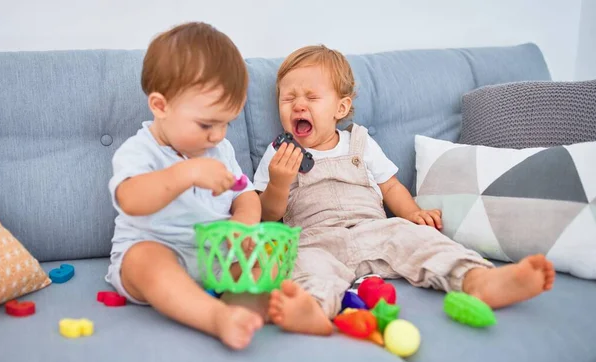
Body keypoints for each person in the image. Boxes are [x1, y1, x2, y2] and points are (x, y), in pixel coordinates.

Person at [253, 45, 556, 335]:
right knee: (302, 265)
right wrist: (279, 183)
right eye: (288, 98)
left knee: (420, 239)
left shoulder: (359, 142)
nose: (298, 105)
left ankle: (478, 280)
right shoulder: (278, 153)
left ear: (340, 107)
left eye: (311, 97)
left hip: (374, 229)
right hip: (316, 240)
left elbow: (391, 186)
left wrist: (412, 212)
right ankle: (314, 310)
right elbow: (266, 216)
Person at [105, 22, 263, 350]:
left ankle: (248, 310)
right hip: (158, 248)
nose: (218, 135)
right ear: (161, 106)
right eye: (207, 124)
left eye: (226, 123)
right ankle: (213, 317)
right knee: (144, 261)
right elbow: (131, 198)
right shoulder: (140, 151)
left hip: (215, 255)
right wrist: (186, 173)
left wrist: (244, 224)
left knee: (264, 262)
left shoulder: (221, 149)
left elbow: (245, 193)